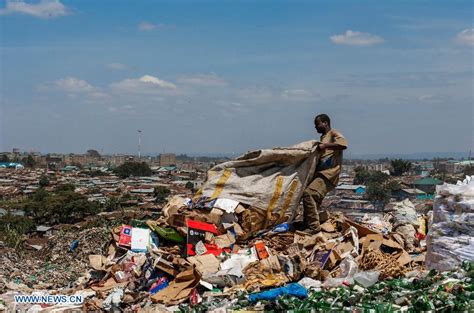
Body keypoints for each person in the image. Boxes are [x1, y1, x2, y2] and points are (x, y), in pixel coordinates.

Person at [302, 114, 348, 234]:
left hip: (329, 174)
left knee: (308, 194)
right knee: (313, 199)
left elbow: (343, 144)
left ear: (325, 123)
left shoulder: (333, 134)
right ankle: (306, 224)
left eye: (317, 124)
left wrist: (326, 145)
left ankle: (313, 227)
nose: (315, 127)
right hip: (320, 174)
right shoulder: (323, 137)